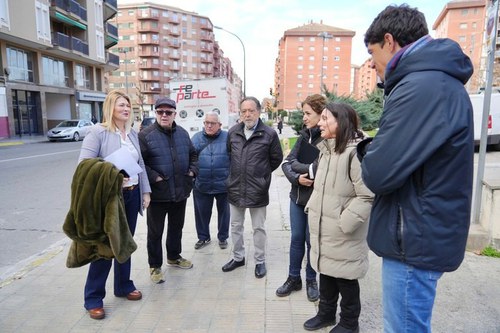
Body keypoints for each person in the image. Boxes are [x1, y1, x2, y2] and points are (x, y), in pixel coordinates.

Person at [361, 4, 474, 333]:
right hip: (416, 231)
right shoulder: (428, 81)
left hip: (412, 239)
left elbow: (378, 173)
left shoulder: (422, 87)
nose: (371, 63)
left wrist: (367, 149)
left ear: (390, 41)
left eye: (372, 52)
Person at [77, 89, 152, 320]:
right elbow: (84, 165)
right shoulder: (97, 132)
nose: (126, 109)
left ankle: (123, 286)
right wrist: (113, 171)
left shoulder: (131, 134)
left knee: (125, 244)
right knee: (105, 248)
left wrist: (146, 191)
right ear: (110, 107)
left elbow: (140, 165)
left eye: (128, 106)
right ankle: (93, 299)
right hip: (110, 198)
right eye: (121, 105)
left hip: (132, 195)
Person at [304, 102, 373, 333]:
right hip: (325, 228)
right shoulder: (327, 150)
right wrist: (313, 209)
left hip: (343, 230)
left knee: (346, 279)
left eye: (325, 119)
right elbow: (321, 189)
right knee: (326, 272)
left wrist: (346, 222)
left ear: (340, 122)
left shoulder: (355, 152)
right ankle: (325, 314)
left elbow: (367, 195)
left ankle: (349, 324)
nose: (320, 123)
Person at [222, 96, 283, 278]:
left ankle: (260, 261)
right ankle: (238, 257)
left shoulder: (269, 134)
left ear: (258, 112)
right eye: (244, 111)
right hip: (235, 187)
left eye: (251, 111)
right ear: (240, 113)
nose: (247, 114)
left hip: (257, 189)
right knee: (235, 226)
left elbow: (276, 159)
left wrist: (261, 176)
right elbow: (229, 155)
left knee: (258, 228)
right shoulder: (233, 132)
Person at [139, 97, 198, 284]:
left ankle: (173, 256)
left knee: (176, 227)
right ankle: (155, 266)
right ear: (155, 113)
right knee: (155, 232)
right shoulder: (145, 135)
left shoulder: (182, 133)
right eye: (160, 112)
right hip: (158, 194)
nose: (164, 115)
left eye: (168, 112)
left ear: (174, 113)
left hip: (180, 192)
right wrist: (154, 177)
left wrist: (192, 172)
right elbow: (139, 163)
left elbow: (193, 155)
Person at [276, 94, 326, 302]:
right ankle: (293, 278)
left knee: (311, 242)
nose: (304, 118)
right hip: (297, 198)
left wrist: (306, 169)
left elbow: (320, 169)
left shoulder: (328, 139)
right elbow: (287, 163)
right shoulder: (305, 136)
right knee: (296, 239)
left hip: (315, 202)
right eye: (303, 113)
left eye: (308, 113)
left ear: (321, 114)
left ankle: (311, 279)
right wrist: (298, 177)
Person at [191, 111, 230, 250]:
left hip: (223, 185)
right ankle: (203, 237)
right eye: (206, 122)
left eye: (212, 123)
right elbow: (190, 160)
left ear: (219, 125)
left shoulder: (228, 138)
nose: (209, 125)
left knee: (224, 214)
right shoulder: (196, 138)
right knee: (201, 214)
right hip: (202, 184)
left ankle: (223, 237)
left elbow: (235, 158)